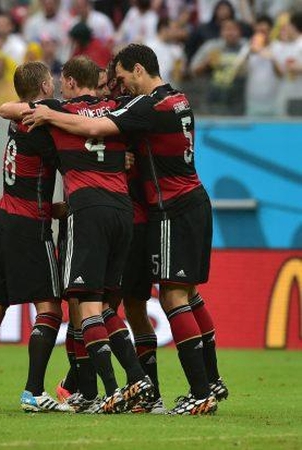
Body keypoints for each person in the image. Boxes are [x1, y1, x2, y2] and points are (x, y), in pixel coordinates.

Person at [23, 43, 224, 415]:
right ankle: (206, 382)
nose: (119, 87)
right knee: (177, 296)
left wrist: (50, 116)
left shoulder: (148, 106)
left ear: (137, 70)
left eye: (120, 79)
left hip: (169, 208)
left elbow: (93, 125)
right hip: (184, 203)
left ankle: (195, 390)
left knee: (165, 299)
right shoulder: (176, 98)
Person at [0, 61, 68, 413]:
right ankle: (34, 392)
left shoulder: (16, 118)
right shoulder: (44, 116)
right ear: (44, 87)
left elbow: (8, 109)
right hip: (27, 226)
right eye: (50, 81)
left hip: (1, 221)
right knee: (49, 307)